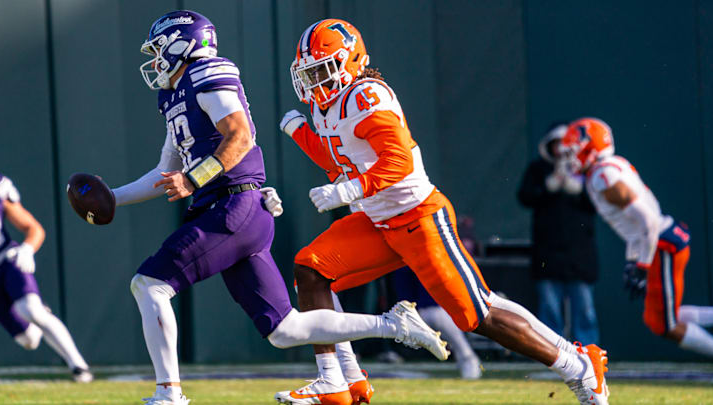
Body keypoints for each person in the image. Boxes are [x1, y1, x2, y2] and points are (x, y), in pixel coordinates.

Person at [114, 11, 448, 405]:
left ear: (181, 45)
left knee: (149, 284)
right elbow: (163, 171)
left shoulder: (206, 73)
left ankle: (168, 395)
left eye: (158, 50)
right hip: (226, 206)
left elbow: (239, 136)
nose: (154, 61)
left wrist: (193, 179)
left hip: (232, 206)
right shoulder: (173, 94)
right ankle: (394, 324)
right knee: (285, 330)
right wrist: (113, 198)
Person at [276, 19, 609, 405]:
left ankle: (579, 366)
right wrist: (302, 133)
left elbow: (397, 160)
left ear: (350, 60)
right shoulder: (327, 106)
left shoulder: (366, 95)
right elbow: (334, 157)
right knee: (311, 270)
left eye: (322, 69)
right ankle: (338, 380)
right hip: (379, 221)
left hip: (418, 217)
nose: (315, 81)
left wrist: (352, 188)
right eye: (309, 72)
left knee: (477, 314)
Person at [560, 117, 713, 359]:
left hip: (661, 244)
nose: (570, 158)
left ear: (591, 147)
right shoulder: (606, 169)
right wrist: (632, 260)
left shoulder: (603, 177)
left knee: (663, 324)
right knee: (662, 317)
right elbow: (634, 228)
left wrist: (642, 264)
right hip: (660, 241)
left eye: (574, 151)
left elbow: (649, 221)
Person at [0, 173, 92, 382]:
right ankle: (40, 315)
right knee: (29, 340)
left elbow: (34, 228)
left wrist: (27, 249)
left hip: (8, 259)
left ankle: (79, 367)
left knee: (31, 310)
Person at [518, 123, 600, 345]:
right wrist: (548, 186)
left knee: (585, 310)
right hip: (548, 253)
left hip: (580, 256)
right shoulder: (538, 170)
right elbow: (524, 197)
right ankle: (551, 351)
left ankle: (588, 352)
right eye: (558, 144)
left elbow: (598, 204)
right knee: (549, 308)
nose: (563, 149)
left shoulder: (587, 171)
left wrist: (580, 190)